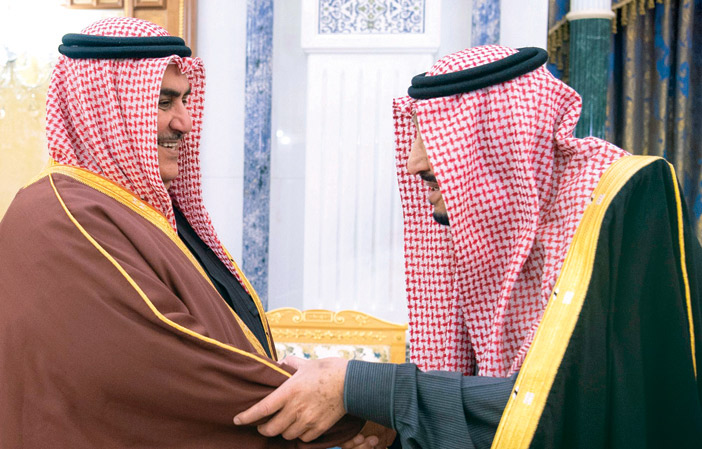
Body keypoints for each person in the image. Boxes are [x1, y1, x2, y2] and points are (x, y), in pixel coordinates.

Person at [234, 45, 702, 448]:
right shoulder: (500, 231)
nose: (415, 162)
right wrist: (399, 427)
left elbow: (576, 407)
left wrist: (359, 386)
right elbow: (494, 399)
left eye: (435, 134)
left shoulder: (626, 201)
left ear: (501, 134)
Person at [0, 17, 368, 448]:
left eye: (185, 100)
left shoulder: (137, 210)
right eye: (163, 102)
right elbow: (169, 367)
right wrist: (356, 416)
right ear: (102, 110)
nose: (185, 122)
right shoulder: (59, 216)